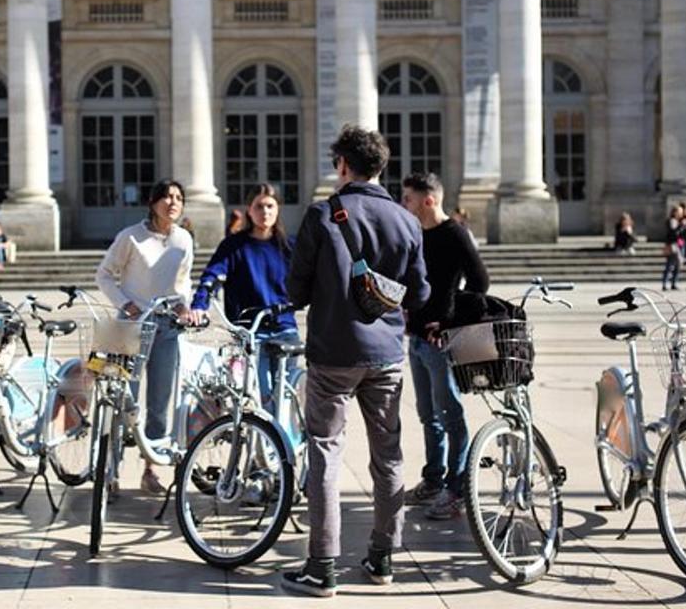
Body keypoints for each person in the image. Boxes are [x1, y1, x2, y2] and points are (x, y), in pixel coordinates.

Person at [282, 125, 430, 597]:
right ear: (381, 167)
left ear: (342, 165)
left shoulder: (323, 215)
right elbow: (420, 291)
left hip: (332, 352)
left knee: (326, 453)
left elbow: (296, 290)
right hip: (386, 353)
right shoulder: (407, 221)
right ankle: (383, 557)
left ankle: (322, 565)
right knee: (388, 456)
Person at [96, 179, 195, 496]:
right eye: (167, 196)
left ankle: (150, 469)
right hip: (128, 327)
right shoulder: (130, 237)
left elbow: (183, 281)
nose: (173, 202)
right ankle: (110, 471)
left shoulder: (184, 240)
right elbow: (104, 275)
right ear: (153, 202)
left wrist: (184, 306)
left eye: (179, 197)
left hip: (167, 328)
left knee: (159, 404)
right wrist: (126, 304)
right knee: (121, 401)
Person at [400, 172, 488, 521]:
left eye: (408, 198)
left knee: (451, 414)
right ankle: (433, 479)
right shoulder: (417, 235)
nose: (403, 203)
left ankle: (457, 489)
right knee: (428, 414)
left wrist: (450, 321)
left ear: (429, 200)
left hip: (441, 340)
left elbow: (480, 282)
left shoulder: (454, 233)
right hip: (418, 338)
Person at [191, 183, 299, 417]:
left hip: (285, 328)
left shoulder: (290, 246)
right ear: (249, 210)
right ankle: (265, 446)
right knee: (261, 396)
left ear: (278, 209)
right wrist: (200, 304)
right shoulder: (234, 246)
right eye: (259, 206)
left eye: (270, 206)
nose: (265, 212)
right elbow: (212, 275)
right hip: (251, 331)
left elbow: (310, 280)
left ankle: (286, 446)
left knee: (286, 395)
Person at [661, 204, 686, 290]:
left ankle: (673, 283)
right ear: (674, 212)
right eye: (679, 212)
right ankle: (665, 283)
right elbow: (673, 233)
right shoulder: (672, 221)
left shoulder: (680, 221)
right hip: (673, 245)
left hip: (680, 244)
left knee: (678, 265)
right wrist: (681, 226)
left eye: (681, 212)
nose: (681, 213)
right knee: (670, 264)